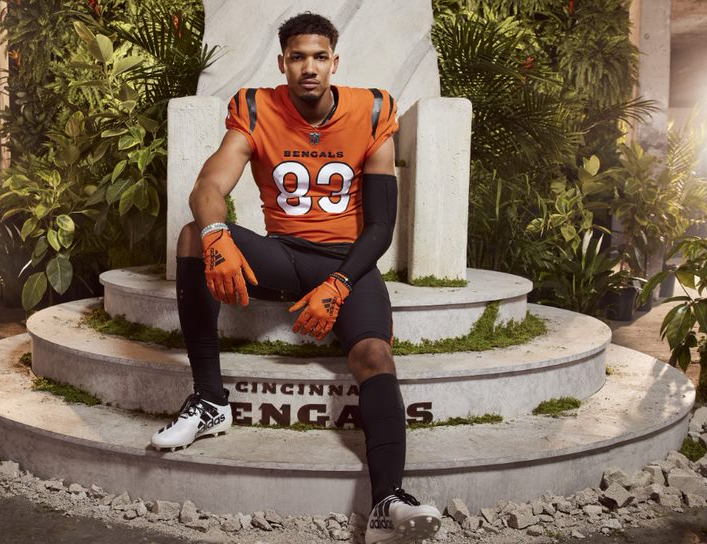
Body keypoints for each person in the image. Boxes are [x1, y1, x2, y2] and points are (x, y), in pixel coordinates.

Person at [150, 12, 441, 544]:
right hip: (284, 254)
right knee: (194, 233)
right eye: (299, 57)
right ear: (283, 62)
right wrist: (217, 235)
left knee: (374, 354)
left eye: (320, 56)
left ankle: (388, 500)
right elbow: (208, 184)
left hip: (347, 263)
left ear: (335, 61)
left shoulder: (372, 110)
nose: (310, 68)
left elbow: (381, 227)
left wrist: (340, 285)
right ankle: (211, 400)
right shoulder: (258, 108)